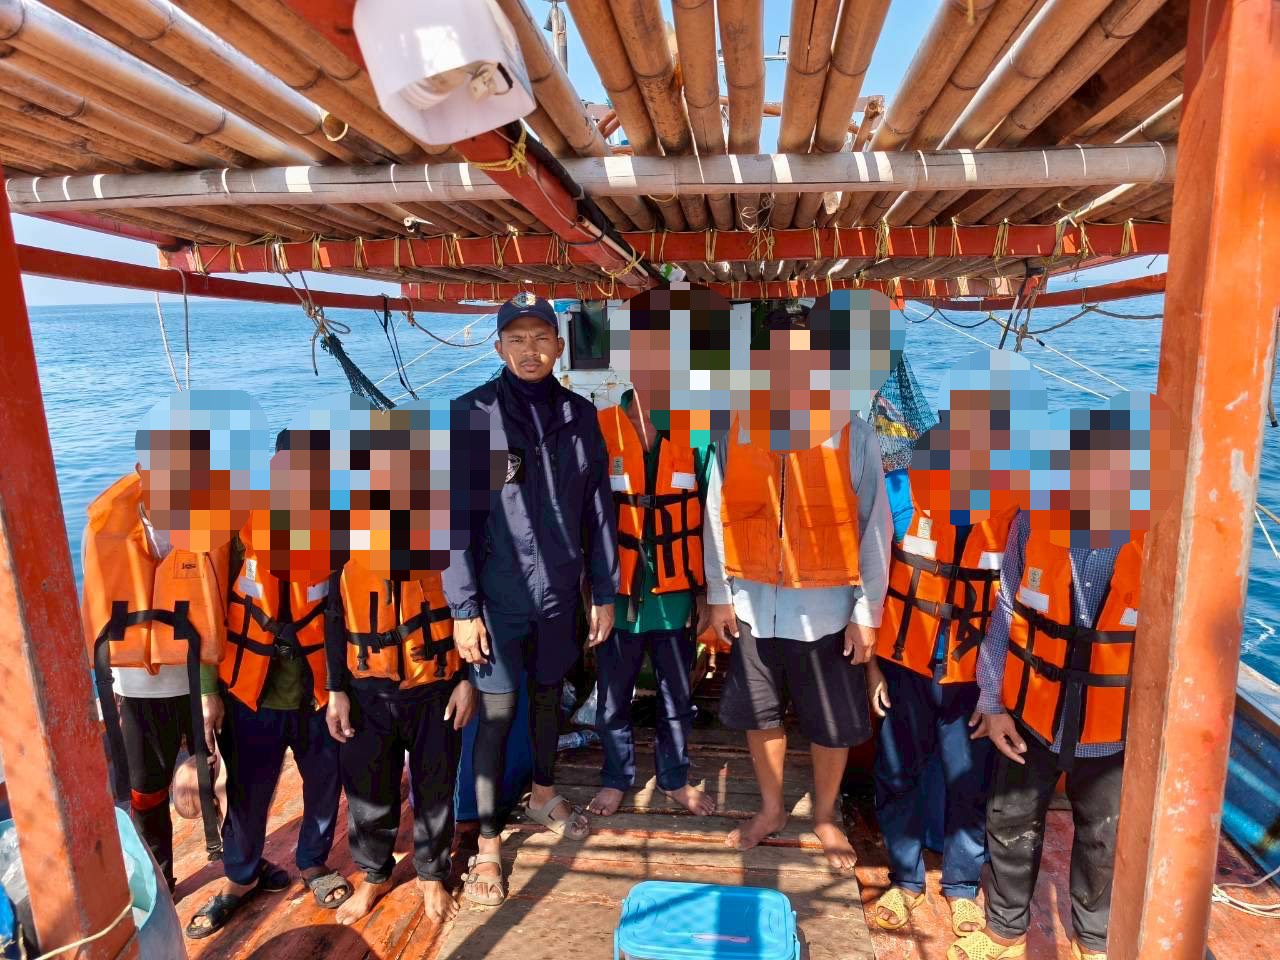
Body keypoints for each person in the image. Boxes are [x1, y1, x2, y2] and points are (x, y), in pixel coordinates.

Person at [953, 417, 1153, 960]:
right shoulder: (1031, 524)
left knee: (1104, 836)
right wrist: (993, 703)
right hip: (1031, 714)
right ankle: (1005, 930)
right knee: (1010, 820)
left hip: (1114, 728)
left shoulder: (1158, 540)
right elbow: (1004, 614)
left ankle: (1094, 942)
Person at [443, 293, 618, 908]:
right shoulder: (473, 414)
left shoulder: (580, 415)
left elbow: (598, 511)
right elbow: (453, 521)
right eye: (516, 339)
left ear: (559, 346)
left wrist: (604, 592)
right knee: (495, 717)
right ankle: (490, 842)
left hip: (560, 598)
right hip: (497, 602)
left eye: (540, 337)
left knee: (547, 700)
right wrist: (464, 610)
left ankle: (543, 794)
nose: (529, 350)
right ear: (498, 348)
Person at [703, 309, 893, 871]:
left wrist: (866, 613)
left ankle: (826, 816)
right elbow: (714, 513)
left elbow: (875, 527)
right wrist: (719, 594)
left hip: (828, 610)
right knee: (761, 715)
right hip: (753, 606)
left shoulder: (853, 432)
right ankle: (771, 809)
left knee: (832, 723)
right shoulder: (736, 427)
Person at [81, 391, 268, 894]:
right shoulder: (107, 526)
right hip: (138, 684)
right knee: (146, 790)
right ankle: (162, 875)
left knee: (231, 777)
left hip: (206, 677)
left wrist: (212, 688)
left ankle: (243, 866)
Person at [187, 420, 360, 939]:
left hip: (318, 692)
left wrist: (346, 689)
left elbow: (354, 610)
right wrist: (208, 690)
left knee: (325, 785)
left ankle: (313, 862)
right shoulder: (236, 527)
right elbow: (206, 613)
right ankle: (240, 878)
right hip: (250, 691)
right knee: (247, 793)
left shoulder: (341, 528)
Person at [867, 396, 1019, 934]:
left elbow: (1021, 602)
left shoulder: (1014, 507)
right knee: (896, 772)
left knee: (969, 781)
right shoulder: (899, 491)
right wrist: (871, 668)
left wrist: (998, 692)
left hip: (975, 677)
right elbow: (871, 578)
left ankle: (961, 886)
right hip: (903, 663)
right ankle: (905, 879)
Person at [323, 409, 476, 925]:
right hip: (367, 689)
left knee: (435, 788)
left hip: (436, 686)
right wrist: (335, 690)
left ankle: (432, 874)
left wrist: (467, 680)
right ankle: (374, 875)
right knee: (368, 794)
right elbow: (334, 616)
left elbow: (472, 608)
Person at [586, 384, 716, 819]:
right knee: (612, 697)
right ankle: (616, 777)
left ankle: (674, 779)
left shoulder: (697, 432)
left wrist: (708, 593)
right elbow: (581, 512)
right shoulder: (600, 427)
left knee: (676, 695)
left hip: (674, 594)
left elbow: (712, 514)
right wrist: (590, 592)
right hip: (617, 593)